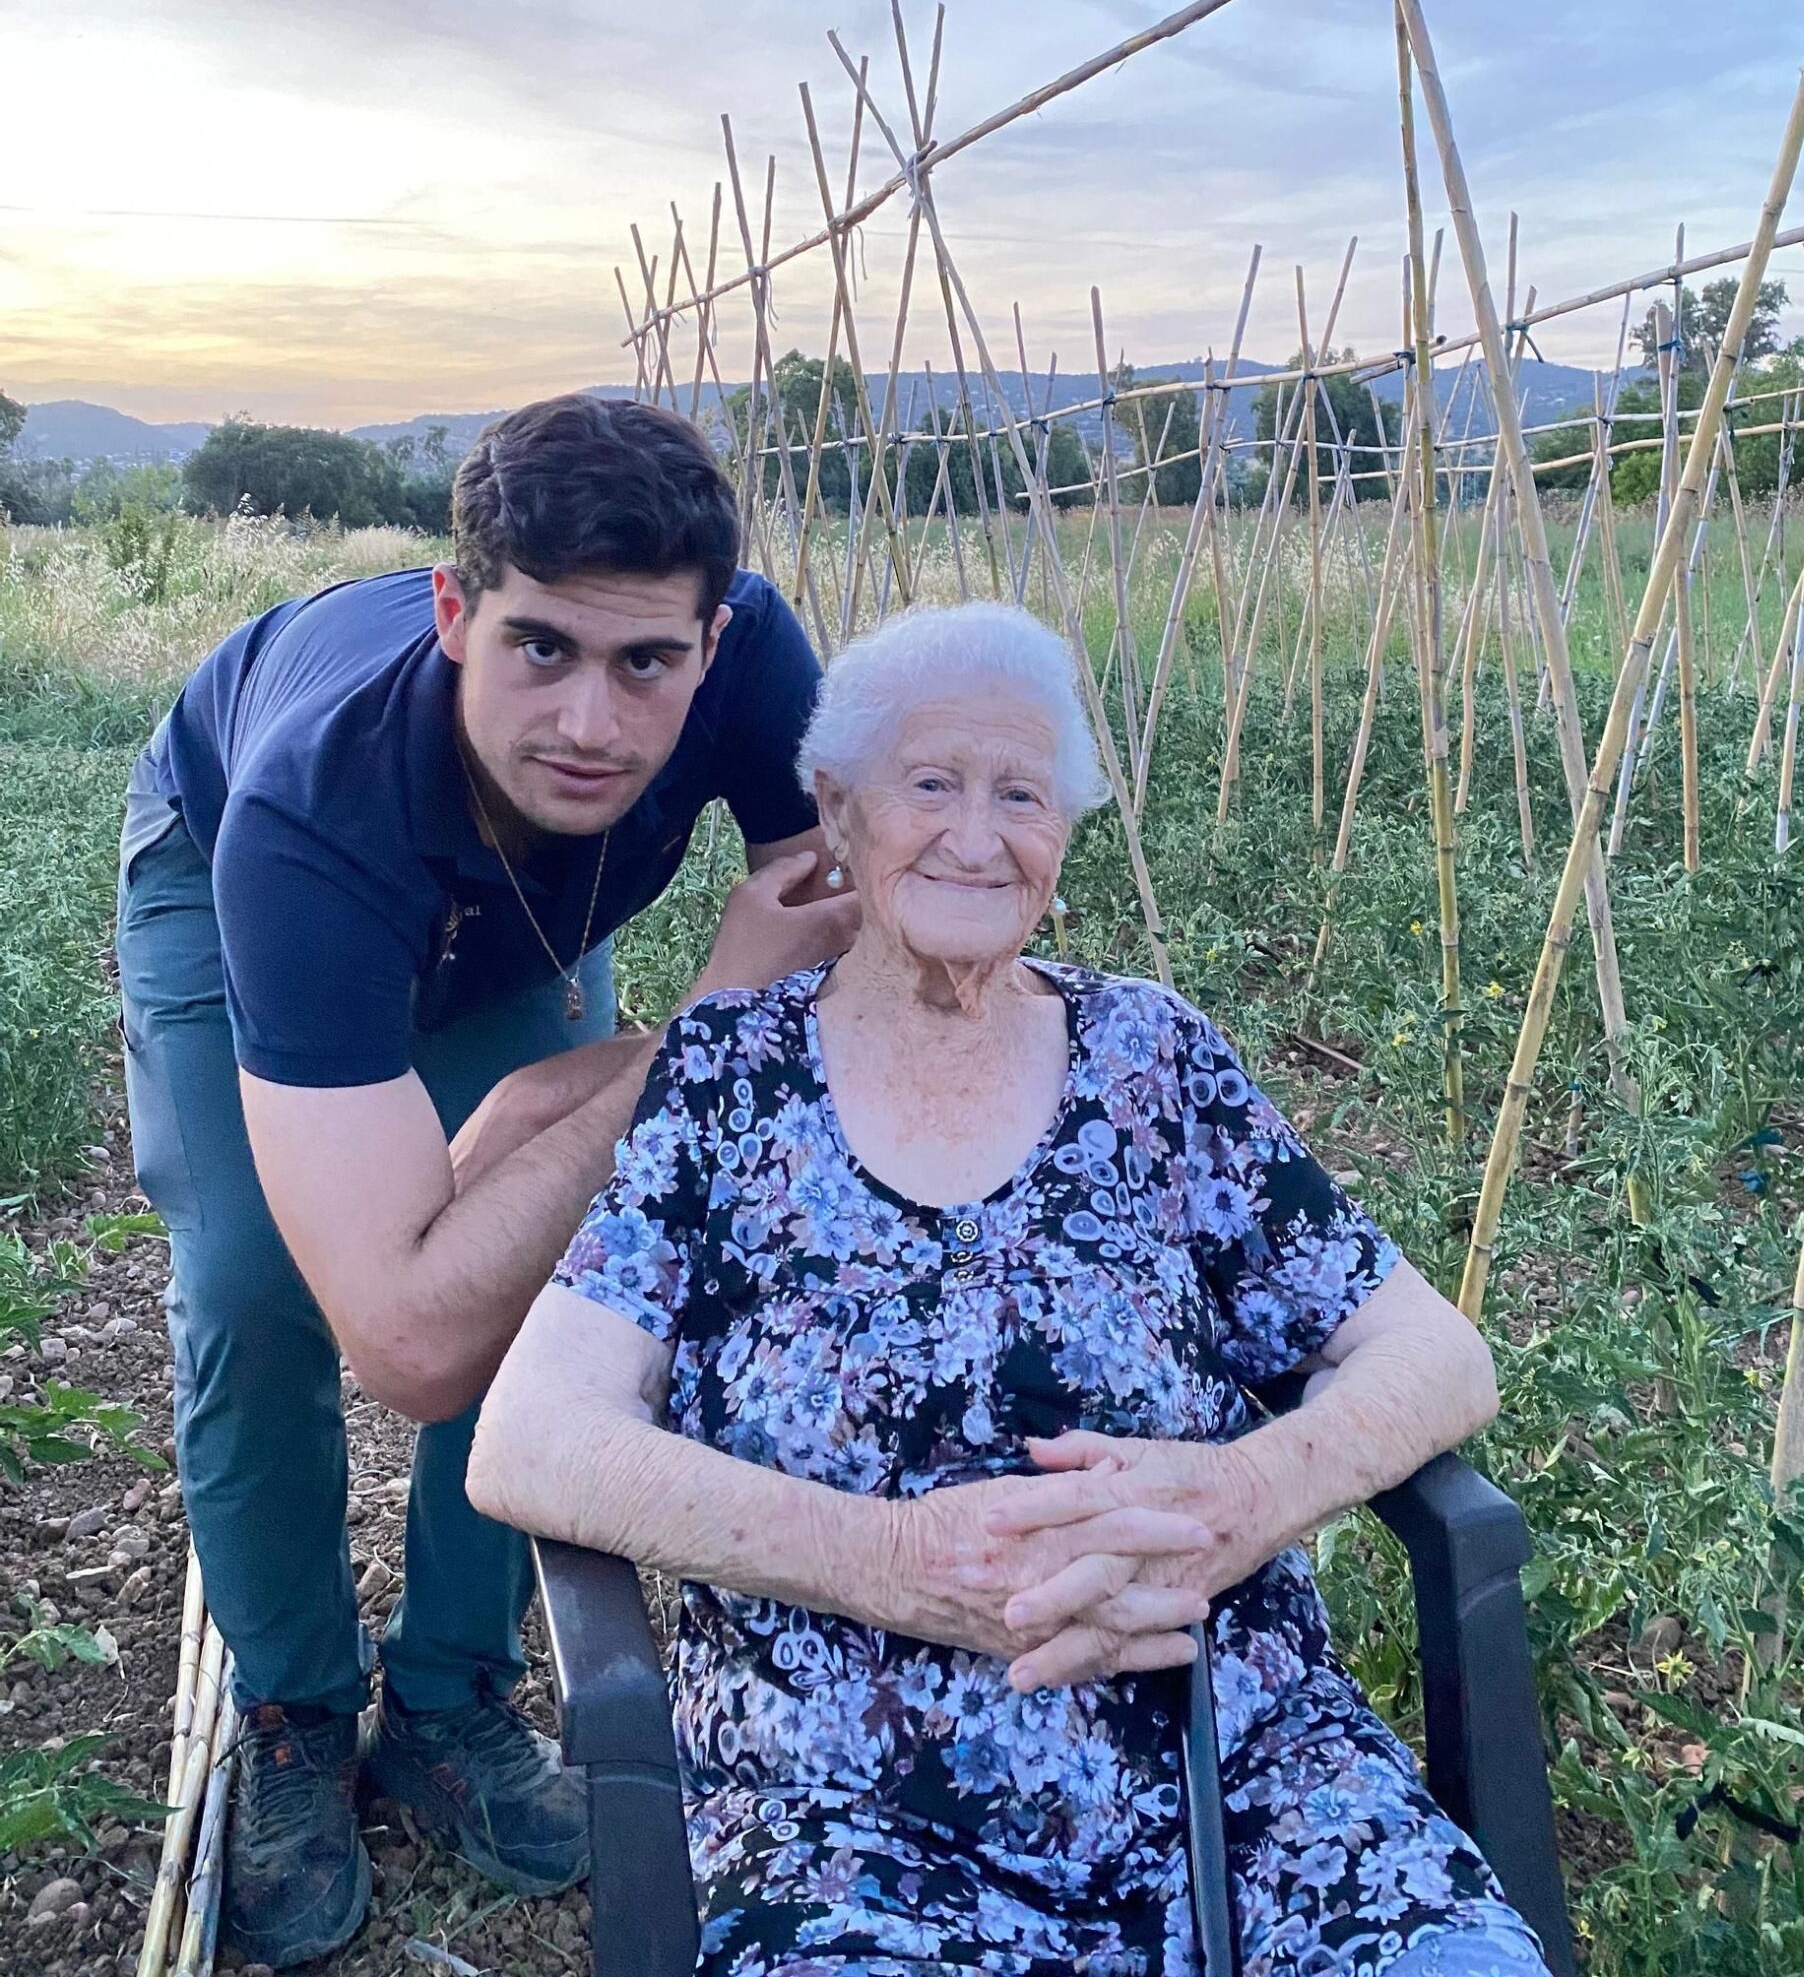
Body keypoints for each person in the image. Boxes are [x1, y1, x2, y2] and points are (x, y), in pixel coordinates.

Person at [470, 600, 1553, 1976]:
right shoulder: (728, 1081)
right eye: (931, 785)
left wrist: (1239, 1500)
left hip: (1240, 1771)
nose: (977, 838)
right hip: (849, 1819)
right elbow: (531, 1440)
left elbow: (1438, 1356)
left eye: (1022, 795)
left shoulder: (1153, 1058)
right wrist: (903, 1564)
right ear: (837, 810)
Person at [116, 393, 858, 1969]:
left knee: (543, 1258)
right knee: (257, 1285)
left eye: (645, 663)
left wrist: (556, 1105)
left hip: (531, 913)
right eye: (540, 647)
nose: (590, 720)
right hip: (234, 867)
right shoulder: (308, 810)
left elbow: (862, 969)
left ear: (712, 645)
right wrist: (692, 1042)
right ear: (457, 612)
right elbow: (405, 1342)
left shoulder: (760, 671)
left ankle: (451, 1694)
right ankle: (293, 1709)